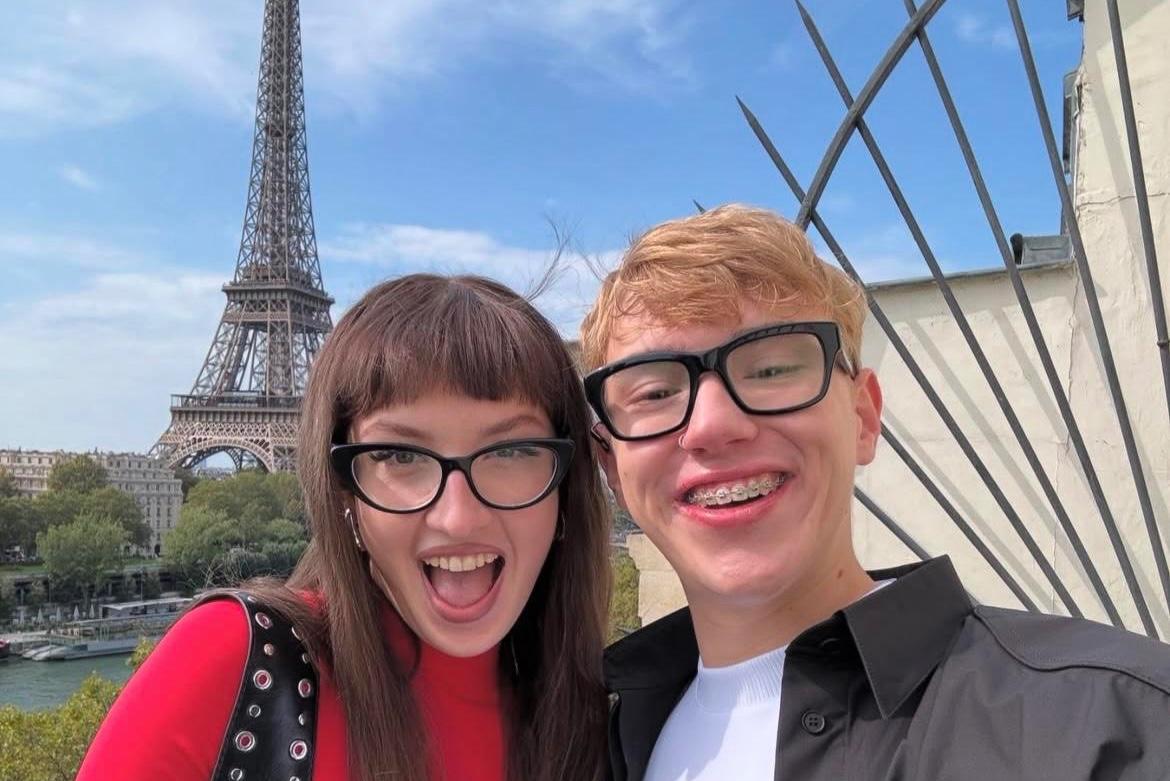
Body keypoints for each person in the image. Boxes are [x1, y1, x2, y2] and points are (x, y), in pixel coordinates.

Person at [580, 204, 1170, 781]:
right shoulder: (590, 744)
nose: (712, 424)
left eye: (771, 370)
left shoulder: (1115, 727)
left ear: (863, 419)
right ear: (612, 467)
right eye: (655, 394)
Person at [78, 274, 611, 781]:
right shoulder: (228, 661)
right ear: (343, 494)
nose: (457, 517)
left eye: (511, 451)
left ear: (566, 486)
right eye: (399, 455)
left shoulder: (602, 723)